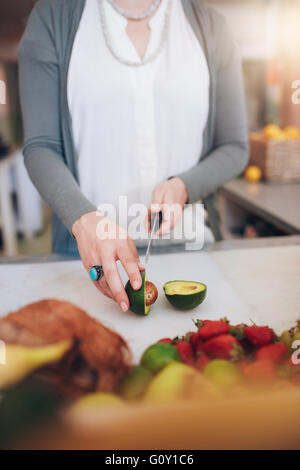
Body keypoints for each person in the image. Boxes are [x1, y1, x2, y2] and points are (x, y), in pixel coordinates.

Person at [18, 0, 248, 312]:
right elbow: (41, 146)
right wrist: (84, 221)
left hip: (195, 252)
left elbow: (234, 146)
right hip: (87, 264)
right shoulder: (52, 18)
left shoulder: (212, 26)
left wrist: (184, 186)